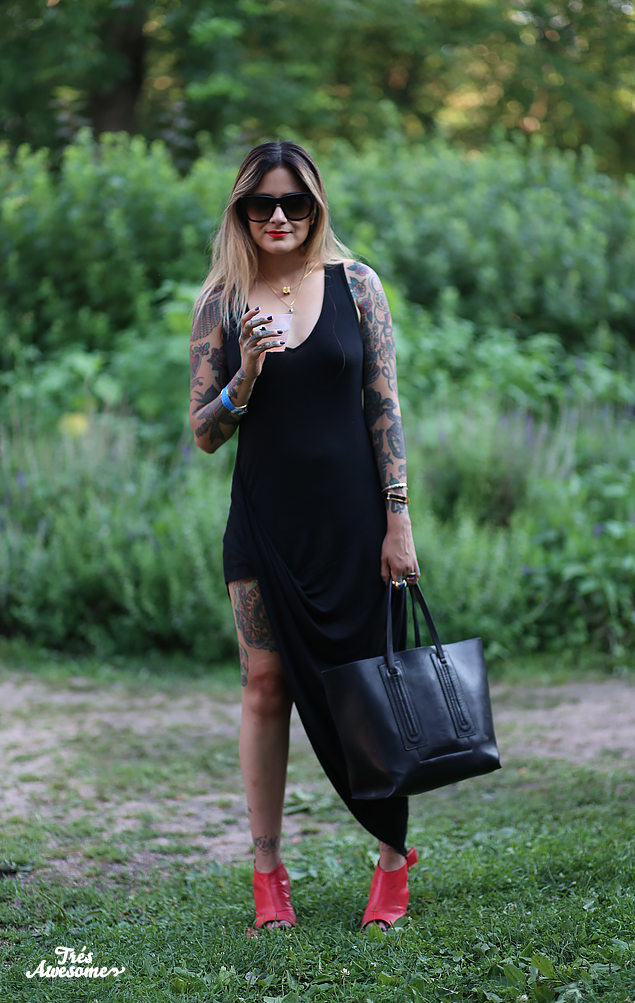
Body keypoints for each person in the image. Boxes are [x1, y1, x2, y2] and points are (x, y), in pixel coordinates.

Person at [189, 140, 420, 931]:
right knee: (263, 686)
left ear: (315, 207)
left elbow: (383, 406)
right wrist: (245, 375)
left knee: (370, 686)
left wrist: (398, 517)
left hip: (354, 521)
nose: (279, 216)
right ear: (241, 211)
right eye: (262, 203)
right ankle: (266, 872)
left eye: (294, 202)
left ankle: (391, 860)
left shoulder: (357, 285)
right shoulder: (220, 302)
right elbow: (204, 434)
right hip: (262, 521)